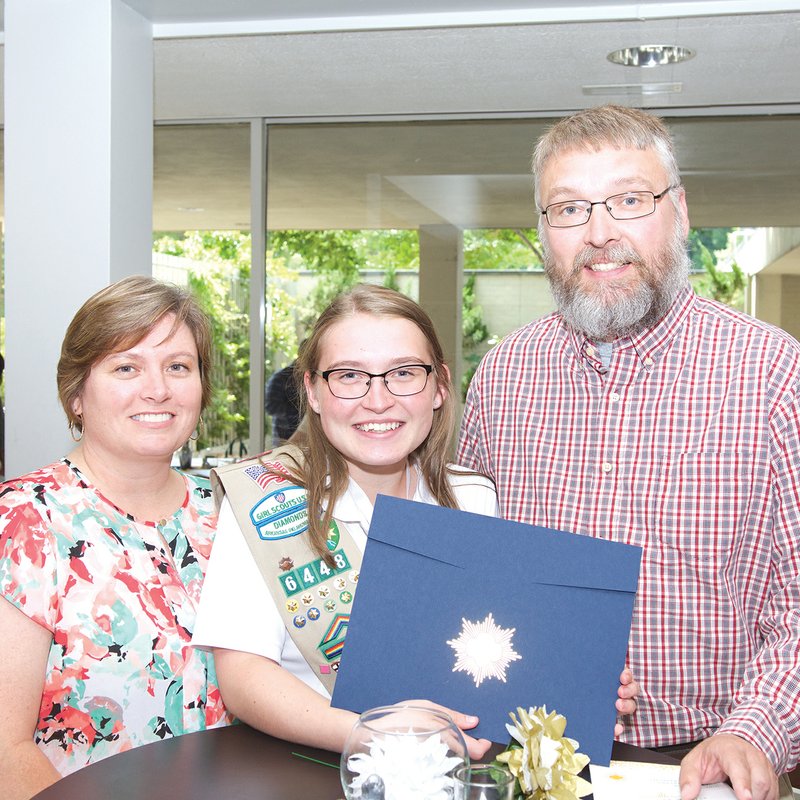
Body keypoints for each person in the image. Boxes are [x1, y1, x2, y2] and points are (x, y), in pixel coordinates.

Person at [457, 104, 800, 800]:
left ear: (679, 211)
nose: (600, 232)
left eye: (629, 199)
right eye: (569, 208)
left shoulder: (774, 376)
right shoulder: (503, 376)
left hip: (708, 763)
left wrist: (754, 730)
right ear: (541, 233)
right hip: (528, 758)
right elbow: (475, 574)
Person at [193, 283, 638, 758]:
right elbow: (243, 676)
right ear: (313, 390)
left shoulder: (474, 497)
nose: (378, 400)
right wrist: (367, 732)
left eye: (404, 373)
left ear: (440, 386)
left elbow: (490, 643)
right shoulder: (266, 501)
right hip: (309, 769)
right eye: (348, 376)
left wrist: (577, 679)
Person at [0, 276, 232, 799]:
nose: (158, 389)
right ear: (76, 394)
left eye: (178, 366)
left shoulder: (226, 512)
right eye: (127, 367)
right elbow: (5, 754)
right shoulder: (24, 522)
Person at [265, 353, 302, 444]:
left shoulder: (315, 378)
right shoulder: (280, 378)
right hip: (284, 438)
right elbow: (270, 407)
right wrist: (297, 409)